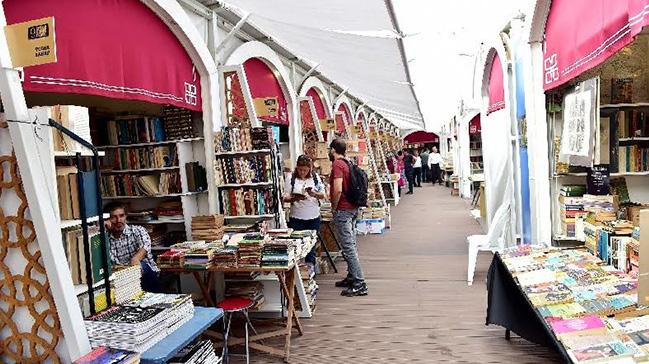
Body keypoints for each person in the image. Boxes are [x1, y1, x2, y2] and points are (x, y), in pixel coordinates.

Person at [329, 138, 368, 297]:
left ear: (333, 150)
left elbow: (337, 189)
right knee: (350, 243)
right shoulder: (347, 162)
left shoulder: (337, 164)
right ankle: (352, 276)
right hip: (352, 208)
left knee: (348, 247)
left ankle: (360, 282)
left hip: (343, 210)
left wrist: (334, 206)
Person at [104, 202, 162, 292]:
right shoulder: (104, 238)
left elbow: (145, 247)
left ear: (126, 216)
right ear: (107, 220)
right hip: (120, 279)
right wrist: (103, 229)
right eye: (113, 217)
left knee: (143, 266)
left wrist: (135, 259)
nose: (118, 220)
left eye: (121, 216)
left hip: (142, 273)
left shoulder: (137, 230)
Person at [283, 154, 325, 267]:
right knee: (297, 244)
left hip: (313, 217)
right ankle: (300, 273)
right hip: (297, 217)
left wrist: (314, 194)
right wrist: (295, 198)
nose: (302, 172)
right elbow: (285, 197)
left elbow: (323, 195)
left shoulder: (315, 178)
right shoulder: (291, 178)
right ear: (297, 167)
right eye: (300, 170)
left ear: (310, 169)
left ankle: (310, 273)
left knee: (311, 245)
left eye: (305, 170)